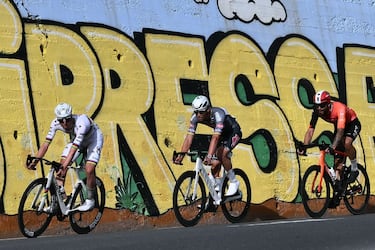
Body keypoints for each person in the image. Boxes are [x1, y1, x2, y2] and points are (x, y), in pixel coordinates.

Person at [27, 102, 104, 212]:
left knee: (89, 169)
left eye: (67, 119)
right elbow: (45, 144)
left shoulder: (82, 123)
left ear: (71, 116)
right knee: (60, 166)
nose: (64, 123)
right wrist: (36, 161)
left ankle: (91, 200)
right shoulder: (55, 123)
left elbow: (73, 151)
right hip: (77, 140)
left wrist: (65, 166)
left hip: (94, 139)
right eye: (61, 120)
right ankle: (59, 202)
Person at [173, 95, 242, 201]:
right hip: (222, 135)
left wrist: (209, 155)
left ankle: (234, 182)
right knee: (214, 164)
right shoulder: (195, 117)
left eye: (200, 112)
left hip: (233, 132)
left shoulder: (218, 114)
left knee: (222, 153)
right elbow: (189, 138)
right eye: (196, 112)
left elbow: (215, 137)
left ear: (208, 110)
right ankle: (216, 194)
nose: (197, 115)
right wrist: (182, 154)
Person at [298, 90, 361, 185]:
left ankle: (354, 168)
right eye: (317, 105)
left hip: (351, 123)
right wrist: (305, 147)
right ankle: (338, 191)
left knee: (346, 143)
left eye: (322, 105)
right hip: (339, 125)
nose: (319, 108)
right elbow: (310, 130)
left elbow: (340, 131)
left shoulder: (339, 108)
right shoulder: (317, 111)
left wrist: (333, 146)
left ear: (328, 104)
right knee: (337, 163)